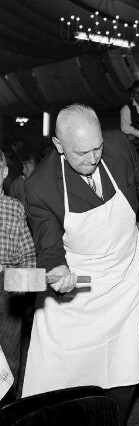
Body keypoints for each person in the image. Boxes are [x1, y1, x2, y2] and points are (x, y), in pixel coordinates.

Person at [22, 104, 139, 424]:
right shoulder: (41, 186)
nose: (93, 158)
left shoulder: (119, 145)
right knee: (59, 381)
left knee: (124, 375)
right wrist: (58, 271)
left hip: (123, 282)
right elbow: (48, 247)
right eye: (81, 152)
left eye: (97, 147)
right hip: (77, 296)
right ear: (59, 146)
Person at [0, 150, 36, 402]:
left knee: (10, 348)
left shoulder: (15, 208)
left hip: (7, 285)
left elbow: (29, 252)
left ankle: (6, 402)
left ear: (3, 174)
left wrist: (25, 282)